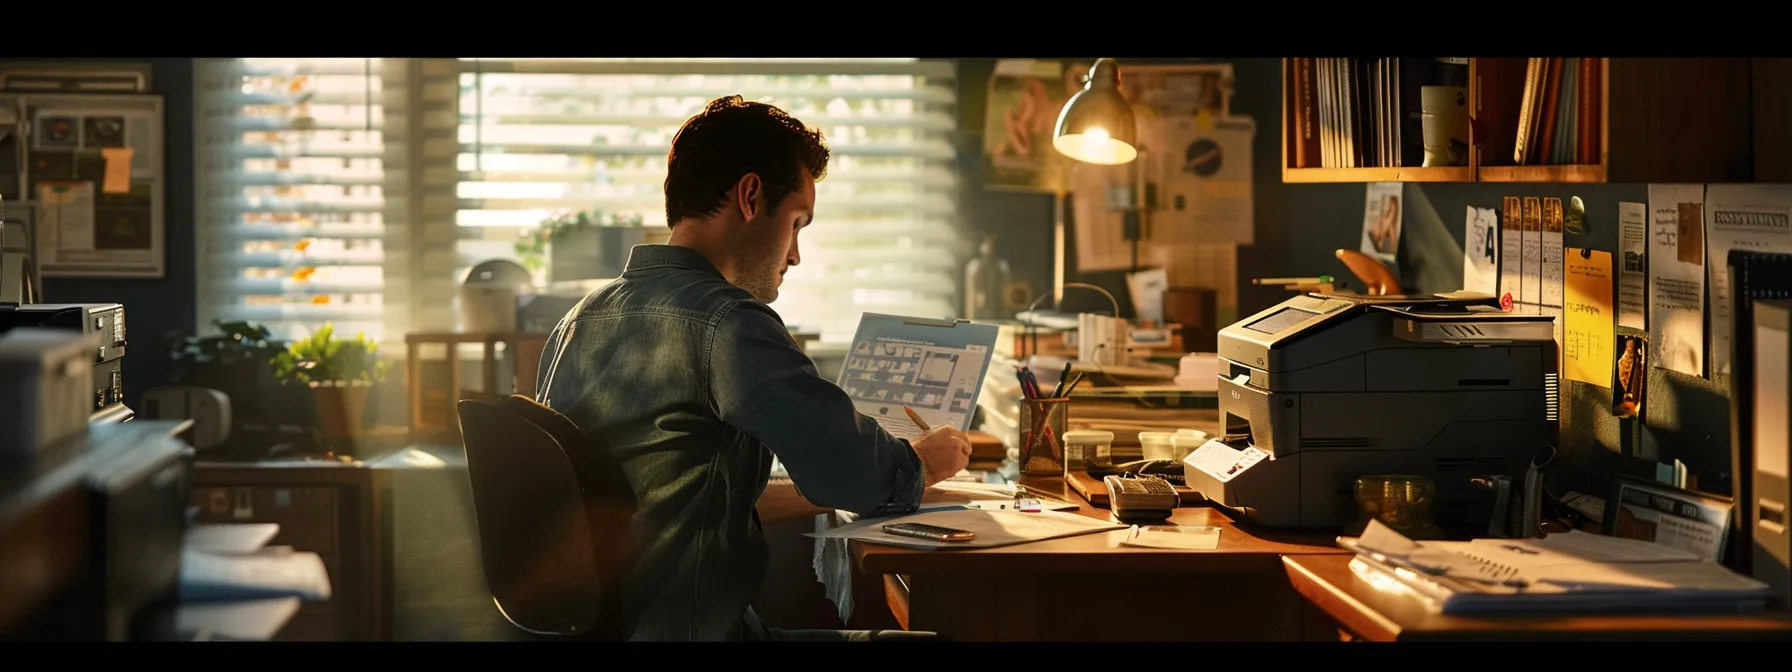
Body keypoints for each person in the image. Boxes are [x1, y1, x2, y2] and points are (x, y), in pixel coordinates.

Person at [535, 95, 973, 642]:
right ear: (750, 197)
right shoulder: (728, 322)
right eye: (796, 223)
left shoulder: (578, 320)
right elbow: (859, 473)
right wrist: (924, 461)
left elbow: (668, 495)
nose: (795, 255)